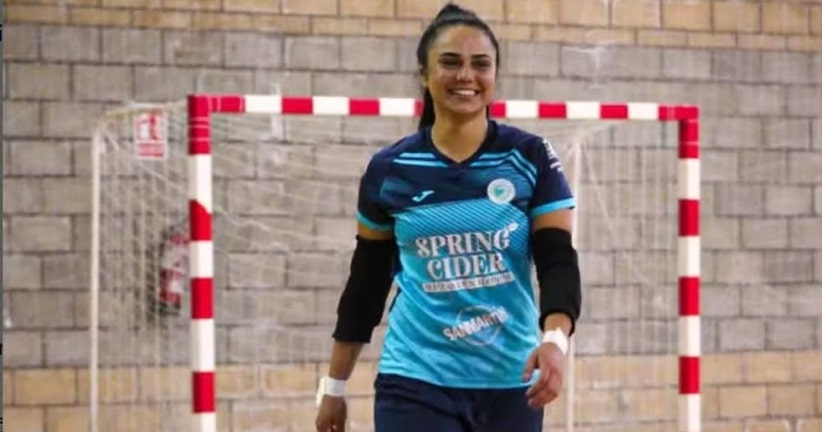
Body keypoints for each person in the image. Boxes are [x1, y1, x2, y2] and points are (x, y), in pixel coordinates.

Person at [315, 3, 581, 431]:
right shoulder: (390, 169)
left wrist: (554, 340)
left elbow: (557, 261)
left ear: (495, 75)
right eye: (451, 62)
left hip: (511, 379)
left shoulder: (530, 157)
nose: (466, 76)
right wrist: (334, 386)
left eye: (481, 64)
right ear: (424, 74)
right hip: (414, 378)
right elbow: (366, 284)